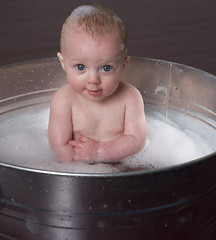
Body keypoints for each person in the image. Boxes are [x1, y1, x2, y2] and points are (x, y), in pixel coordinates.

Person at [48, 4, 146, 163]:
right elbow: (60, 147)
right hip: (78, 170)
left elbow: (136, 141)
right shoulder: (63, 100)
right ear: (63, 63)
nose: (93, 79)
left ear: (123, 66)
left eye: (106, 68)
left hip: (123, 167)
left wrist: (100, 152)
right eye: (81, 67)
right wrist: (80, 168)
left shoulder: (130, 97)